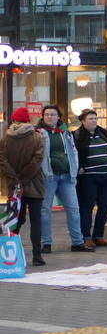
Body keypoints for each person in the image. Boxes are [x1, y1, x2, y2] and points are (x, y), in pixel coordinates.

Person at [38, 105, 88, 253]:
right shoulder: (39, 133)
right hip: (49, 176)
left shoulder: (65, 132)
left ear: (58, 117)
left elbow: (73, 151)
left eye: (53, 114)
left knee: (74, 209)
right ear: (43, 116)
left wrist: (74, 168)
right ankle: (46, 243)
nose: (49, 117)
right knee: (45, 210)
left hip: (67, 176)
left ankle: (78, 242)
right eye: (46, 115)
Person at [0, 107, 46, 266]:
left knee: (14, 220)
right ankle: (37, 256)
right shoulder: (37, 137)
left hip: (13, 185)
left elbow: (2, 162)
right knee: (36, 220)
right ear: (28, 120)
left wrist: (16, 180)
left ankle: (11, 255)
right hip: (34, 184)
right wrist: (24, 179)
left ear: (14, 120)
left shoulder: (5, 139)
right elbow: (37, 161)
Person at [74, 109, 107, 249]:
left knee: (105, 207)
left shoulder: (103, 132)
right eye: (90, 119)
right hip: (88, 178)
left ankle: (98, 236)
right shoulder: (76, 135)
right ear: (83, 121)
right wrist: (79, 167)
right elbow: (73, 153)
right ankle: (86, 237)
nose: (94, 121)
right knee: (86, 208)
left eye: (95, 118)